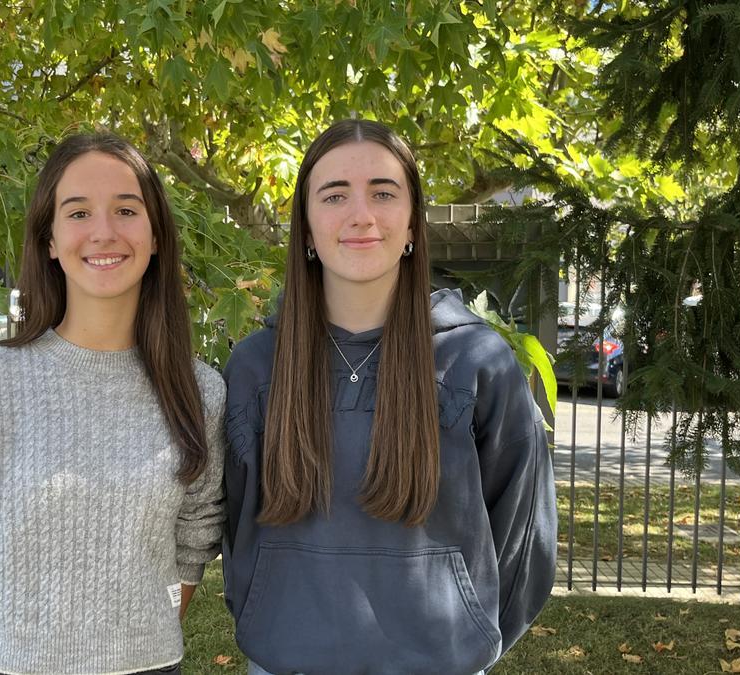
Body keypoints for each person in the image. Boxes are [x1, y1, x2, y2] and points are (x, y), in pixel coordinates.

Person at [221, 119, 556, 675]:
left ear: (413, 224)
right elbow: (233, 526)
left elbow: (525, 539)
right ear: (306, 228)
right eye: (335, 195)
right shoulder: (255, 368)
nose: (361, 215)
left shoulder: (478, 362)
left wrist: (467, 638)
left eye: (383, 193)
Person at [0, 133, 226, 675]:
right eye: (78, 212)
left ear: (155, 235)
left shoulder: (200, 390)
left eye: (126, 210)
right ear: (50, 240)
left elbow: (198, 530)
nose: (104, 231)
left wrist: (144, 636)